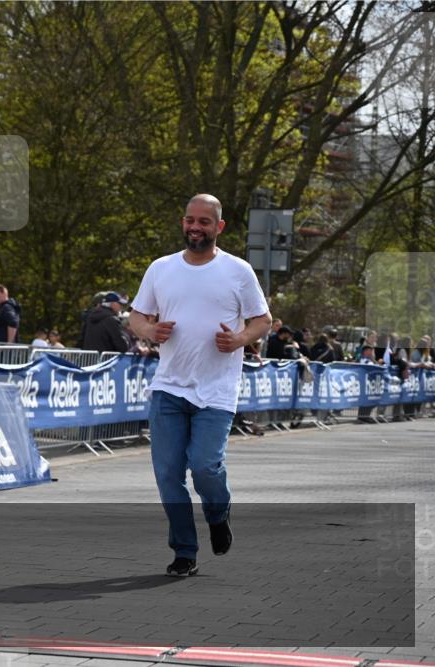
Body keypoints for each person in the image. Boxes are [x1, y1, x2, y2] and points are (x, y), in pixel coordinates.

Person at [128, 194, 271, 577]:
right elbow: (136, 316)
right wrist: (150, 330)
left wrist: (240, 339)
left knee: (205, 467)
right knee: (168, 474)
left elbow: (262, 320)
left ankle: (218, 510)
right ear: (183, 222)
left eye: (204, 222)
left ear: (218, 227)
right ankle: (185, 551)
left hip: (216, 391)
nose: (196, 227)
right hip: (169, 388)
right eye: (190, 220)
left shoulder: (238, 271)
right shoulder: (161, 268)